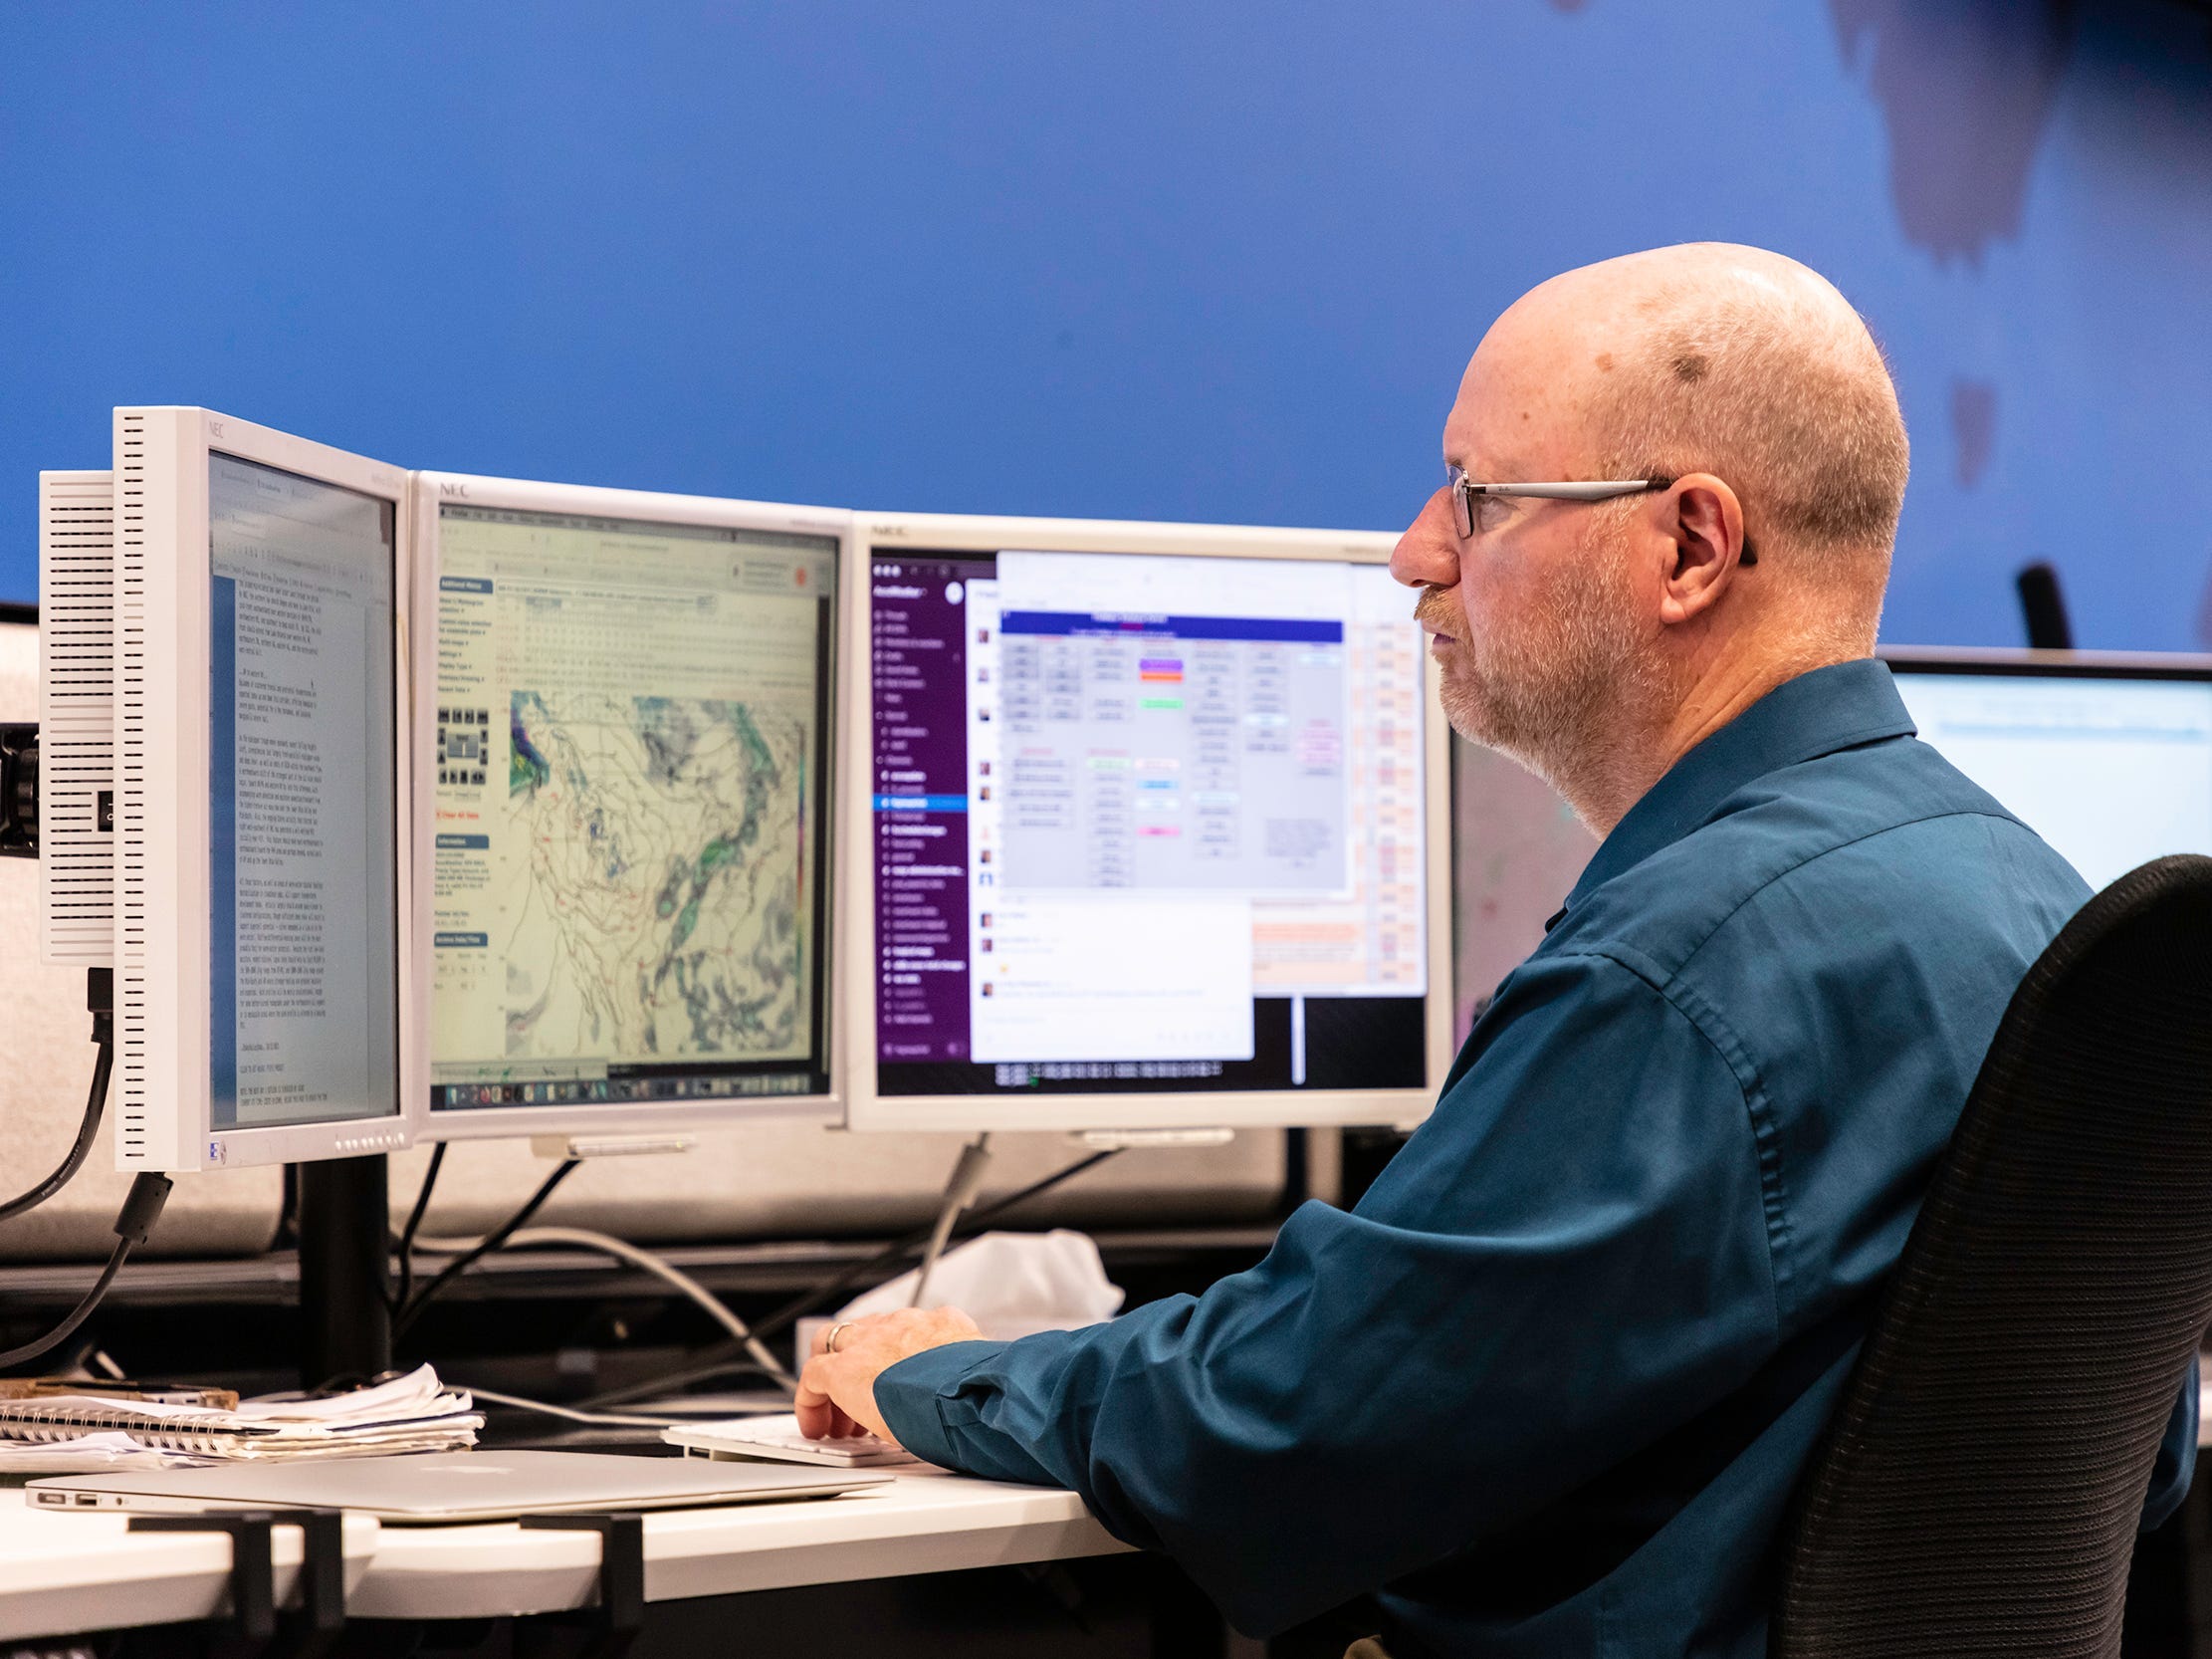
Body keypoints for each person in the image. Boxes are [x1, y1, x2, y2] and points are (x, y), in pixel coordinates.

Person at [795, 243, 2195, 1658]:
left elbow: (1278, 1423)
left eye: (1478, 497)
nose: (1416, 551)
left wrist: (950, 1374)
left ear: (1688, 547)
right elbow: (2150, 1465)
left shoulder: (1686, 970)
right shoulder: (2026, 893)